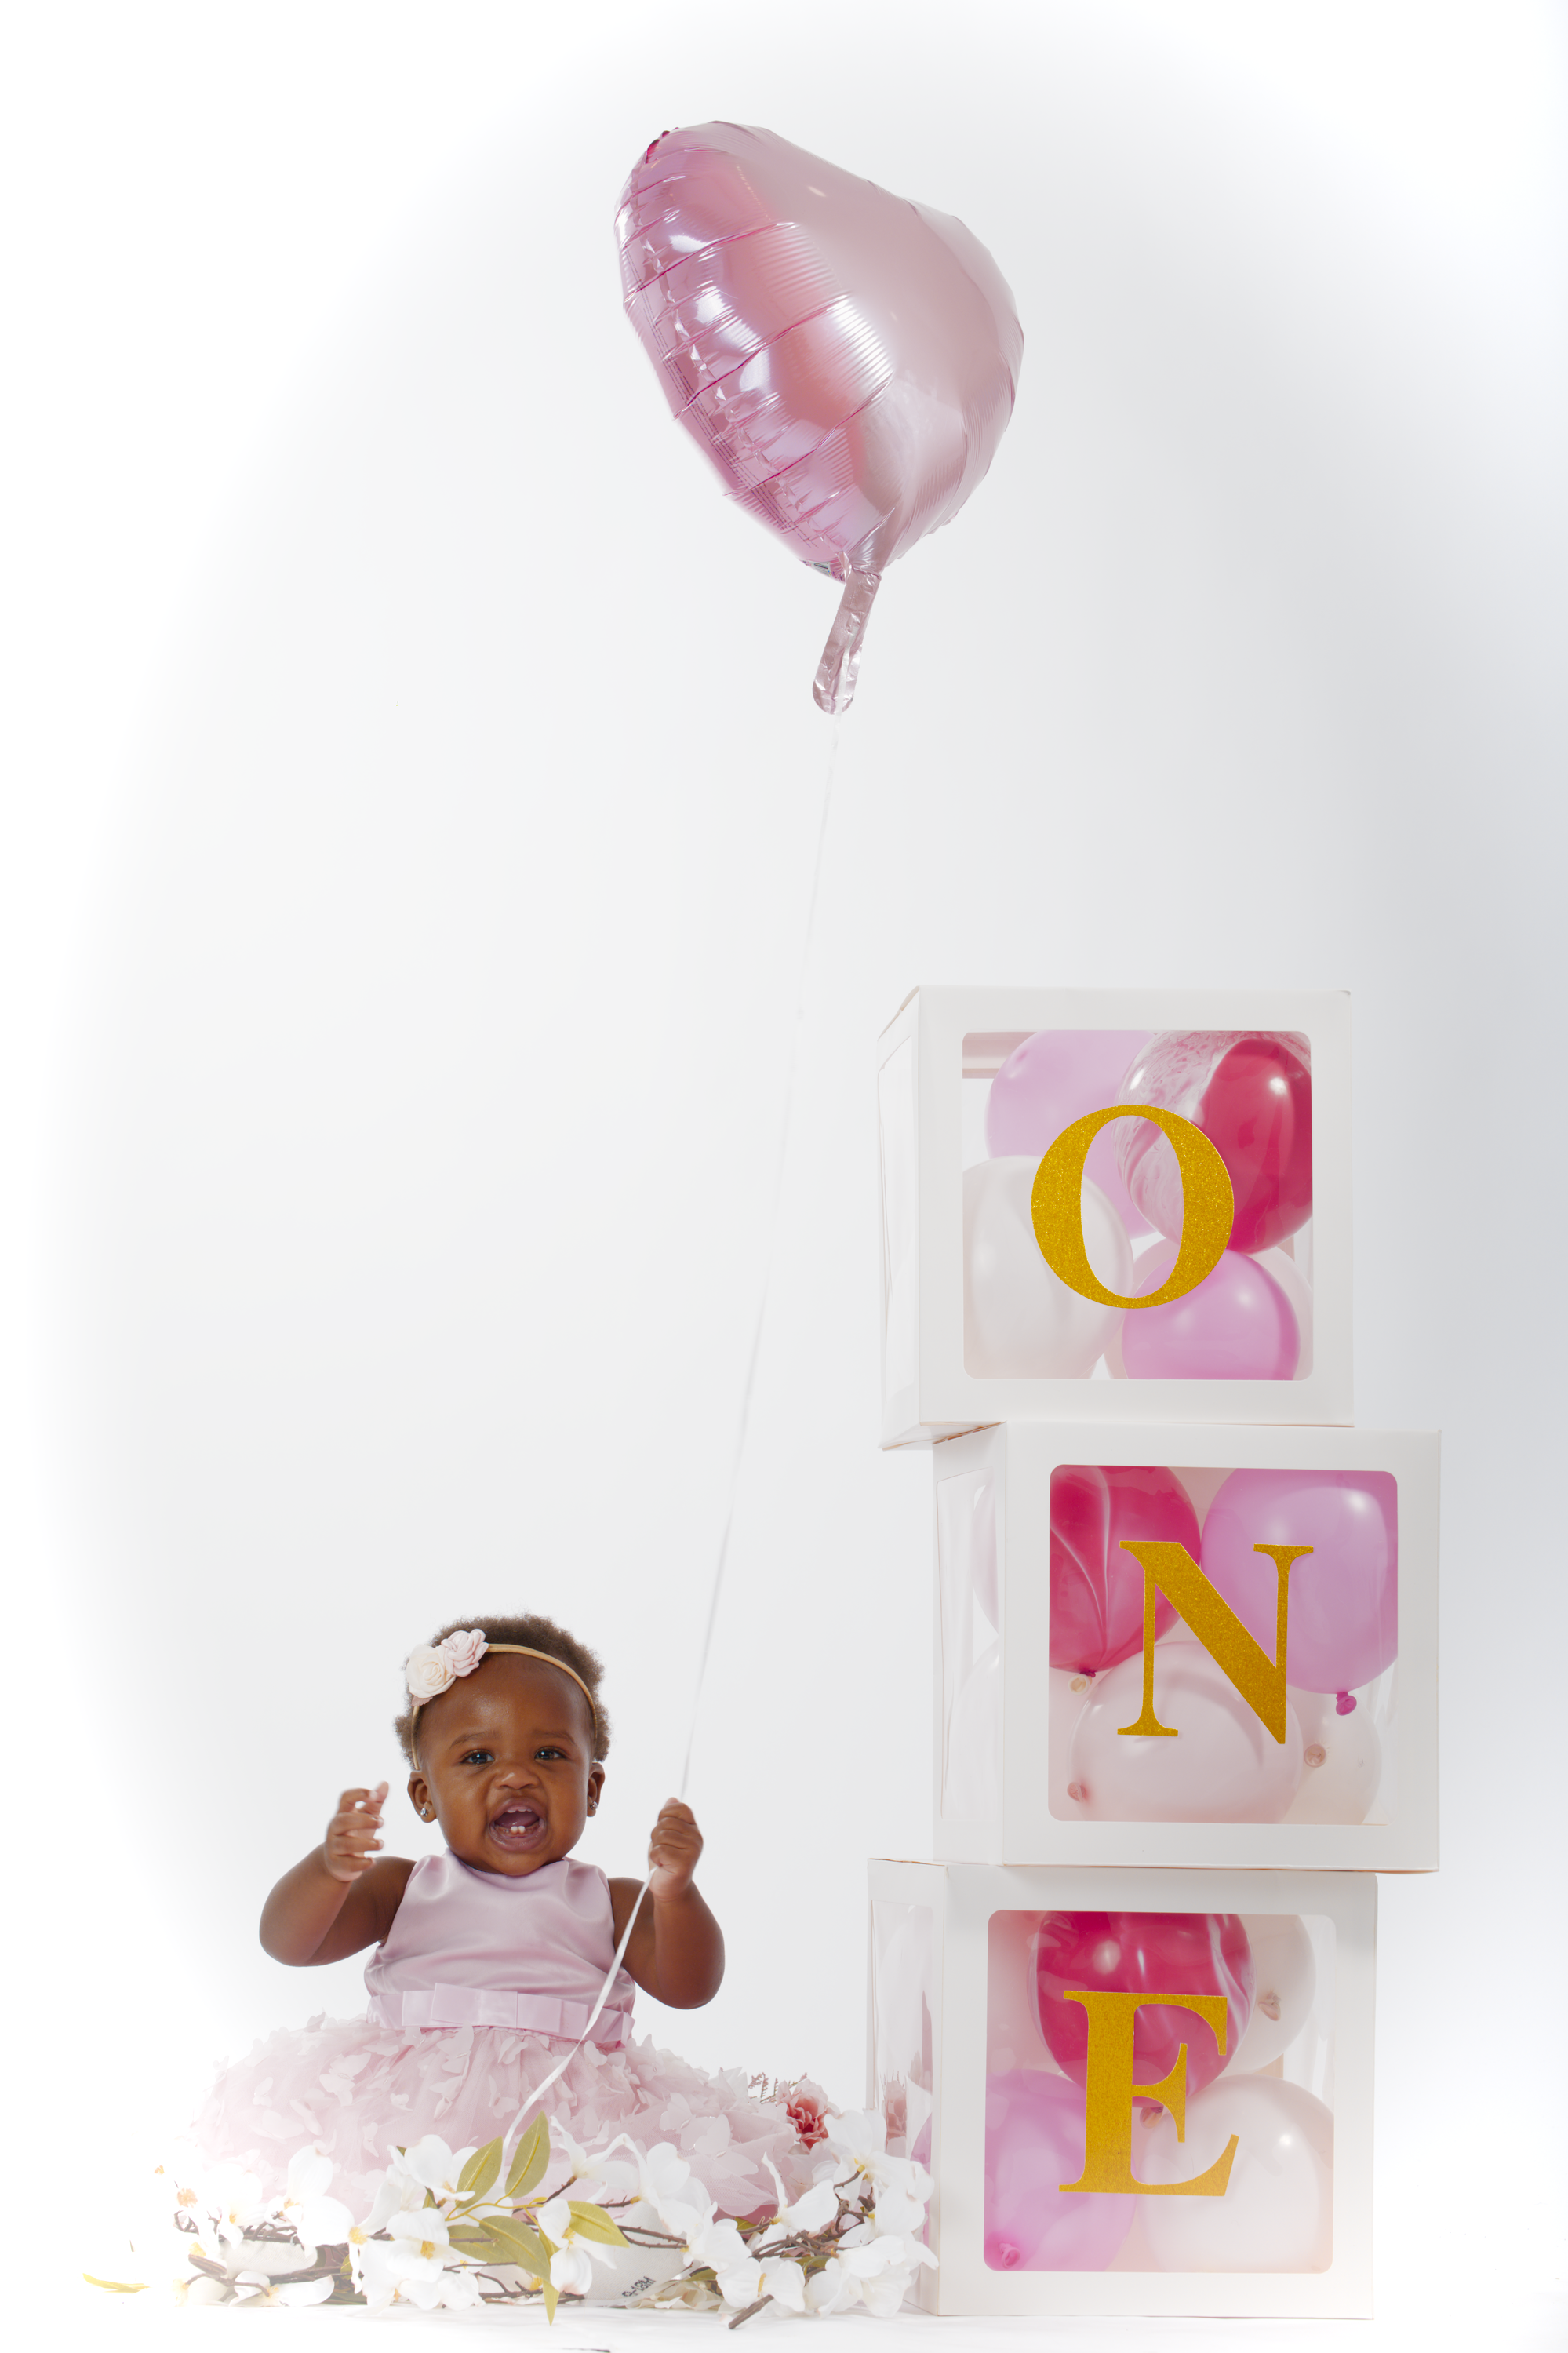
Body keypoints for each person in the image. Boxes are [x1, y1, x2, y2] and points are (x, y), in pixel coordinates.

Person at [190, 1615, 825, 2220]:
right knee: (407, 2220)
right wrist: (328, 1870)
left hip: (577, 2122)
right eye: (476, 1758)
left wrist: (677, 1891)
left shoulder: (615, 1900)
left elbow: (691, 1987)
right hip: (415, 2115)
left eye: (548, 1753)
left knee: (583, 2229)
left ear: (592, 1788)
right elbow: (288, 1943)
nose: (516, 1775)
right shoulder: (399, 1887)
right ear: (424, 1794)